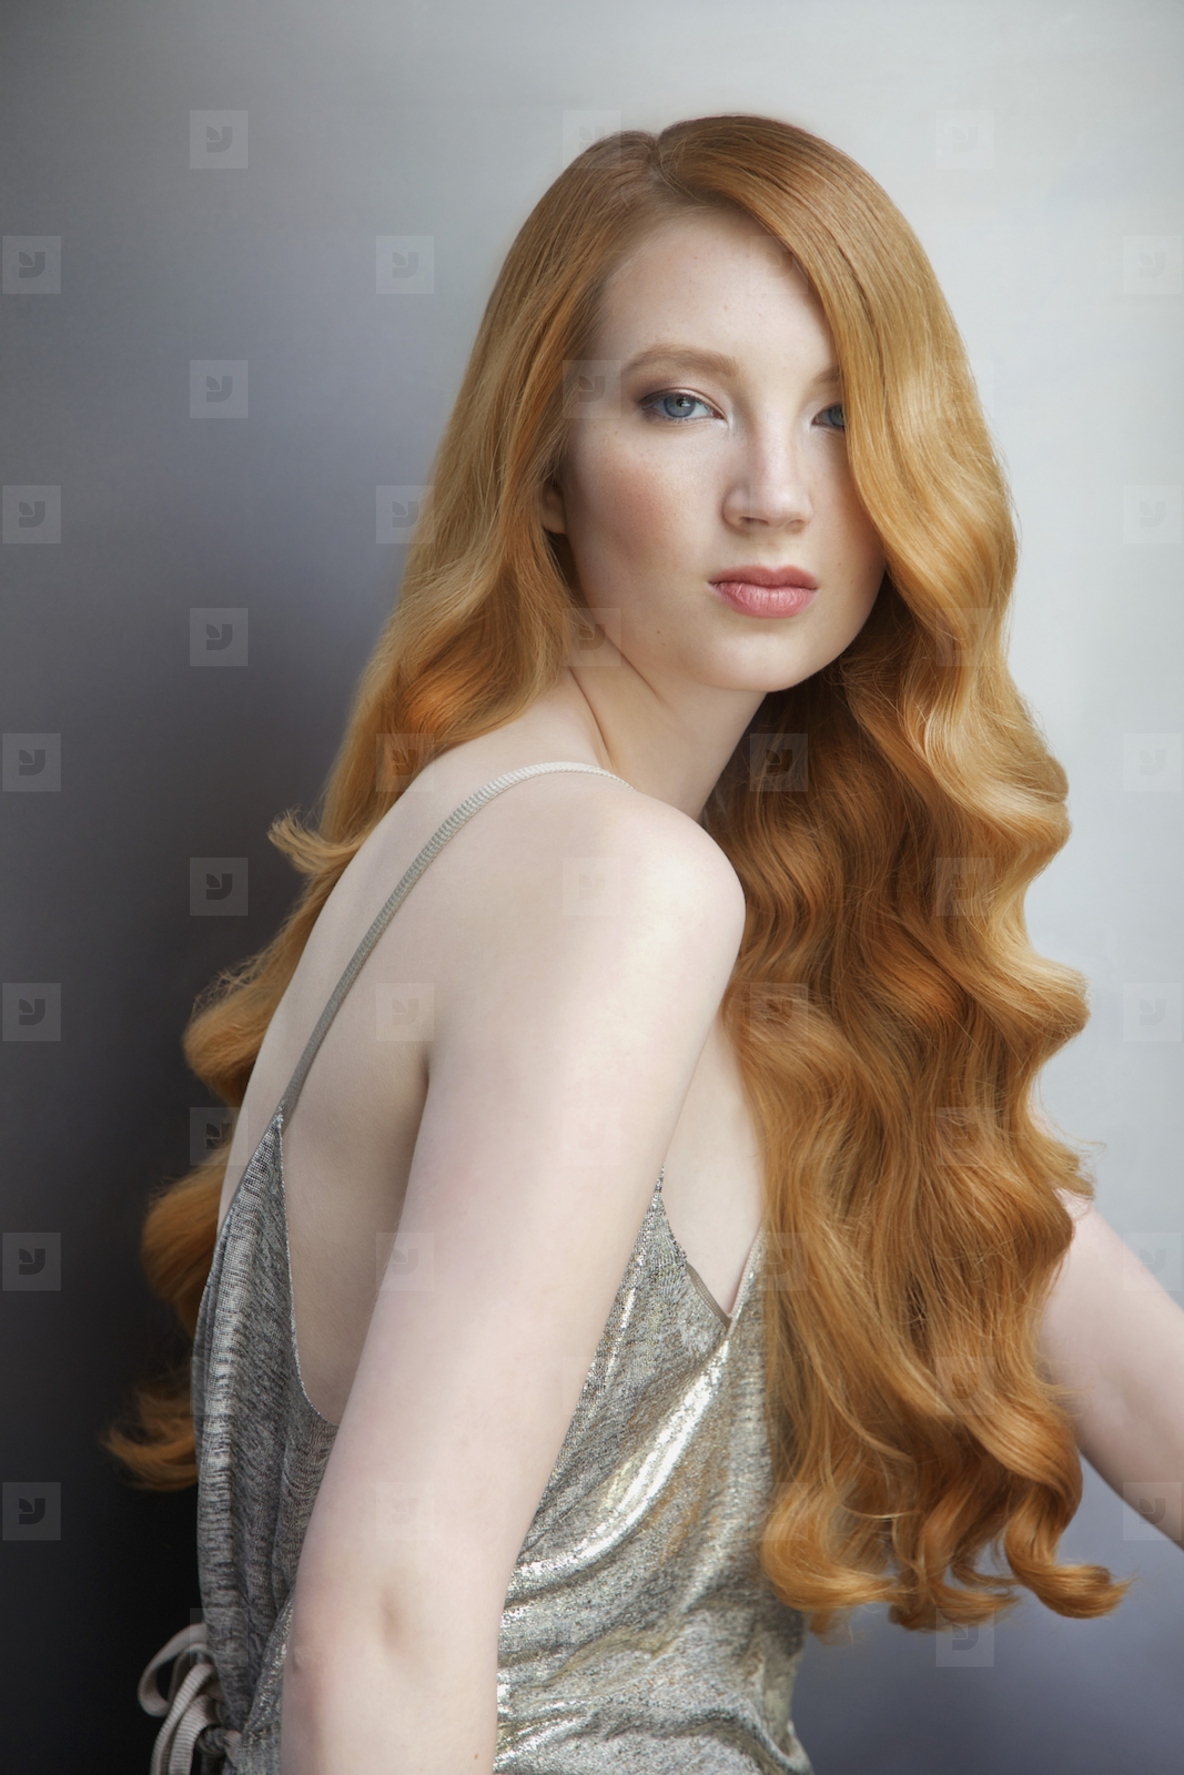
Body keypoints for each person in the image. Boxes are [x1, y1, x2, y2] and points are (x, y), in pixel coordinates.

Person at [108, 114, 1184, 1774]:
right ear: (544, 462)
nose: (775, 492)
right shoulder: (608, 882)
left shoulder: (652, 892)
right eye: (684, 403)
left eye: (841, 415)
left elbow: (1159, 1418)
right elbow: (376, 1640)